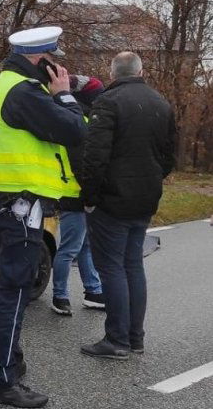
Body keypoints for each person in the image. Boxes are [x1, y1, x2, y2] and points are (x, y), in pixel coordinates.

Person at [0, 26, 86, 408]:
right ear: (43, 60)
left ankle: (10, 363)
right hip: (21, 205)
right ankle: (1, 381)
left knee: (10, 288)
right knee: (15, 291)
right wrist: (65, 94)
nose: (60, 69)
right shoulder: (24, 92)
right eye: (56, 62)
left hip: (0, 202)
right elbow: (75, 130)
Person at [79, 52, 177, 359]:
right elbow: (170, 155)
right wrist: (152, 180)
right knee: (133, 265)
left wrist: (90, 197)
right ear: (140, 71)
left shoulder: (107, 103)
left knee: (111, 268)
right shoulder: (161, 103)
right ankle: (135, 338)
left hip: (112, 200)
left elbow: (95, 156)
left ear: (112, 73)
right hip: (145, 198)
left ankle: (116, 340)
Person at [51, 75, 106, 316]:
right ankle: (59, 296)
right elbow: (81, 164)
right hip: (75, 194)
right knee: (69, 249)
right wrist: (91, 195)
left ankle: (93, 291)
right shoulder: (79, 120)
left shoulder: (73, 116)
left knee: (85, 246)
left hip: (74, 191)